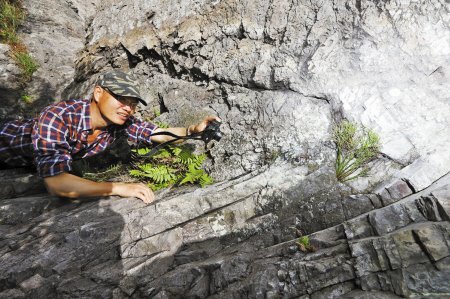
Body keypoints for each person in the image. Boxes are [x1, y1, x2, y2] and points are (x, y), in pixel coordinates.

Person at [0, 70, 220, 204]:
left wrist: (191, 131)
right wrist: (118, 188)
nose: (128, 108)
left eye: (133, 104)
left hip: (21, 163)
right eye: (121, 99)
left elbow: (154, 134)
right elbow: (57, 183)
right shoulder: (59, 117)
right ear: (98, 93)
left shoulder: (118, 124)